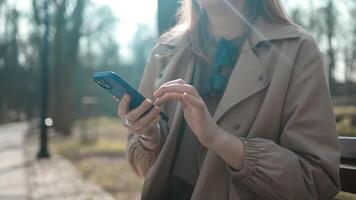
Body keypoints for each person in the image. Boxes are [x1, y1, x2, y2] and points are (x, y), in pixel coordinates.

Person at [116, 0, 341, 199]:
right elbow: (143, 169)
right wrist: (149, 138)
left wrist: (219, 139)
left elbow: (317, 180)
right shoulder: (164, 51)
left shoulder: (297, 49)